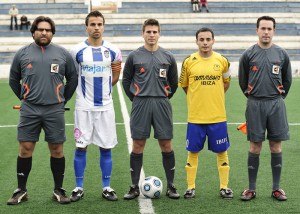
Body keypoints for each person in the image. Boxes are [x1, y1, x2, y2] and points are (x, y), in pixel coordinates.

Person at [7, 16, 78, 205]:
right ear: (33, 32)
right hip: (29, 109)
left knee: (57, 149)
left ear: (52, 33)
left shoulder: (63, 54)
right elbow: (14, 80)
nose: (44, 32)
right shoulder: (22, 54)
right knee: (25, 149)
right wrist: (24, 98)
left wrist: (62, 100)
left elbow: (73, 78)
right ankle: (21, 189)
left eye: (48, 30)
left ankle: (59, 189)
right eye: (40, 29)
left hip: (54, 109)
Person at [122, 18, 180, 200]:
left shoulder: (168, 56)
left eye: (155, 32)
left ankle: (171, 185)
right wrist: (137, 98)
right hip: (141, 104)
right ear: (143, 33)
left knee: (166, 144)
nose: (152, 35)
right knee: (138, 144)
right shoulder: (134, 56)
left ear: (159, 34)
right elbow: (126, 81)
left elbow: (173, 83)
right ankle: (133, 187)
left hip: (162, 103)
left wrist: (162, 96)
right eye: (148, 32)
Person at [69, 10, 122, 202]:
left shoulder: (114, 50)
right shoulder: (76, 51)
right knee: (80, 147)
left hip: (106, 107)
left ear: (103, 26)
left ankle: (106, 187)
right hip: (83, 108)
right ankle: (78, 187)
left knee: (106, 148)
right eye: (93, 24)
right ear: (86, 27)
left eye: (99, 24)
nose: (96, 28)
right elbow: (73, 76)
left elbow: (116, 75)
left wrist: (106, 90)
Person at [238, 16, 292, 201]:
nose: (266, 32)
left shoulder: (282, 54)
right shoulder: (248, 54)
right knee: (255, 146)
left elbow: (287, 80)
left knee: (276, 146)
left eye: (270, 28)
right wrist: (254, 96)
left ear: (274, 31)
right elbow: (243, 81)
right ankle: (251, 189)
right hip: (255, 105)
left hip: (276, 104)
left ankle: (276, 188)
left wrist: (277, 97)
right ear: (257, 30)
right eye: (263, 28)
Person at [179, 27, 233, 199]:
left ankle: (224, 187)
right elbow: (185, 86)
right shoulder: (188, 61)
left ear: (213, 41)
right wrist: (197, 99)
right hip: (196, 117)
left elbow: (226, 83)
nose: (204, 43)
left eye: (208, 39)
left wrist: (213, 97)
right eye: (201, 39)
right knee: (192, 152)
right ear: (196, 41)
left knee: (222, 151)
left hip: (218, 116)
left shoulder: (223, 61)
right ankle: (190, 187)